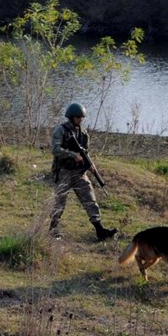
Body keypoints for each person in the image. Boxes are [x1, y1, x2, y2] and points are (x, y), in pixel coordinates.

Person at [49, 102, 119, 241]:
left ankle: (100, 230)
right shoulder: (60, 130)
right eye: (77, 117)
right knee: (59, 202)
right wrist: (72, 155)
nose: (80, 120)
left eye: (82, 117)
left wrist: (90, 165)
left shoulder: (83, 133)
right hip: (63, 172)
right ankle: (53, 229)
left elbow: (85, 152)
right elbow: (55, 150)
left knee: (90, 199)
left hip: (79, 173)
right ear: (71, 117)